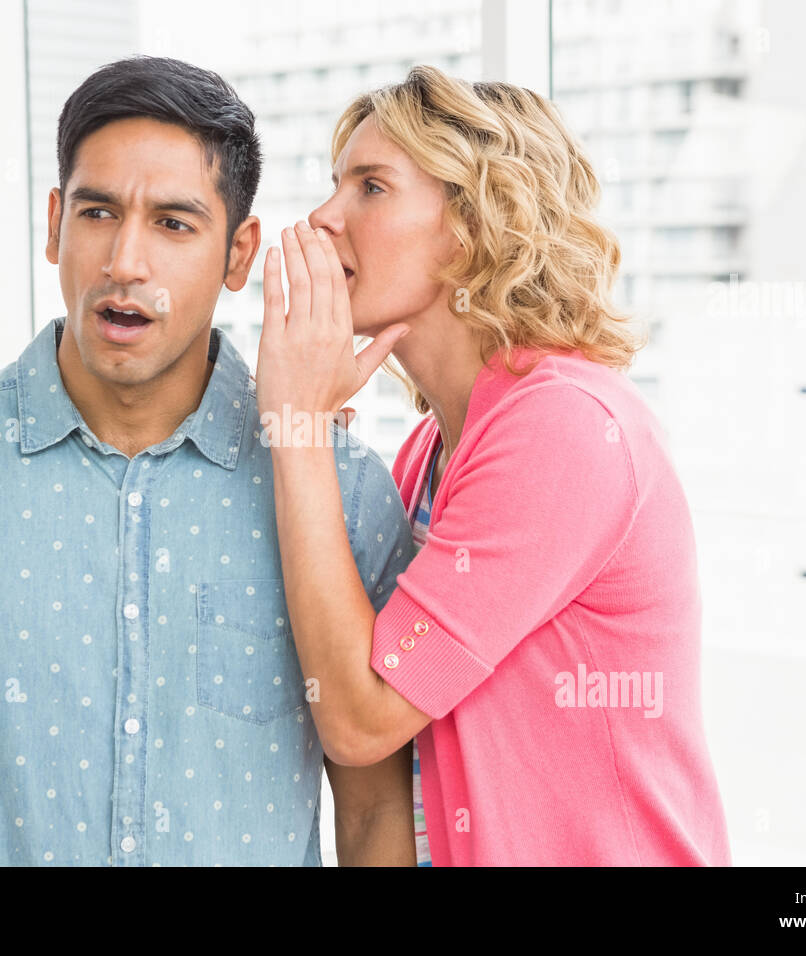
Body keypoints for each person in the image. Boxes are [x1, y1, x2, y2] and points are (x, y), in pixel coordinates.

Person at [0, 56, 417, 867]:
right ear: (53, 225)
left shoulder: (341, 494)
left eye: (175, 224)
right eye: (98, 213)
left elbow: (375, 820)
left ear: (238, 254)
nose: (125, 263)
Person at [255, 65, 733, 866]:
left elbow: (362, 716)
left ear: (478, 222)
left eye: (371, 188)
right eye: (336, 185)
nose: (325, 217)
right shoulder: (427, 458)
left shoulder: (563, 430)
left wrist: (296, 427)